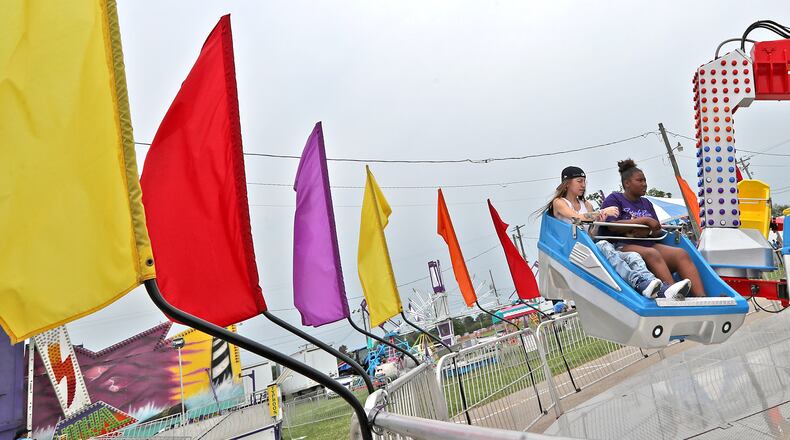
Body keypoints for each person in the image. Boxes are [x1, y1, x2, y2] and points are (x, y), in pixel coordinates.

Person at [539, 166, 687, 300]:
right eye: (579, 181)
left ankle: (659, 288)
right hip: (575, 250)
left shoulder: (588, 204)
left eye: (584, 181)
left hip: (590, 248)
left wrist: (598, 222)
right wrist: (602, 213)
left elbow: (591, 235)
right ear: (567, 183)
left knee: (633, 256)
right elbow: (577, 218)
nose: (583, 185)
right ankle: (639, 282)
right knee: (604, 244)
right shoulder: (559, 202)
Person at [600, 159, 704, 297]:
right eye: (640, 180)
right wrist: (644, 220)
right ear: (627, 183)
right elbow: (612, 226)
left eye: (645, 180)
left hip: (647, 243)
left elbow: (656, 228)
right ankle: (672, 293)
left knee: (680, 254)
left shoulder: (646, 202)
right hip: (623, 245)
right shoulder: (614, 198)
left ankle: (702, 296)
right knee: (652, 253)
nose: (644, 184)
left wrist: (647, 230)